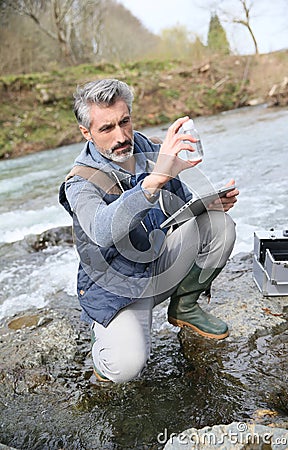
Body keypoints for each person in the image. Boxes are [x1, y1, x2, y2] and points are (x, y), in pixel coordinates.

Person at [61, 78, 239, 384]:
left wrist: (206, 206)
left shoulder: (148, 147)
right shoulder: (80, 182)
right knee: (127, 368)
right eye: (107, 128)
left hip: (159, 264)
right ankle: (102, 340)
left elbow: (178, 207)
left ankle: (184, 306)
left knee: (219, 225)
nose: (121, 136)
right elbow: (103, 230)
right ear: (86, 133)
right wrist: (152, 181)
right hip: (118, 289)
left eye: (125, 122)